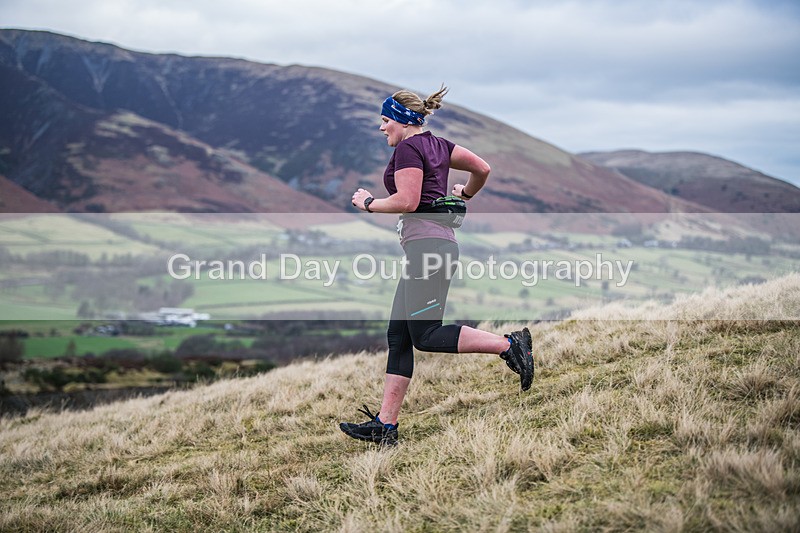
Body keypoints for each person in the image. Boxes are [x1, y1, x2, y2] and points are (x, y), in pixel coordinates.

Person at [340, 86, 533, 446]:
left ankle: (510, 344)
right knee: (399, 335)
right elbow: (483, 168)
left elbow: (408, 201)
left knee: (426, 335)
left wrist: (368, 202)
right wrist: (467, 194)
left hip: (429, 249)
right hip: (432, 247)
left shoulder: (410, 148)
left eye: (384, 120)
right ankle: (386, 425)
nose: (381, 128)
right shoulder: (439, 145)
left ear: (401, 120)